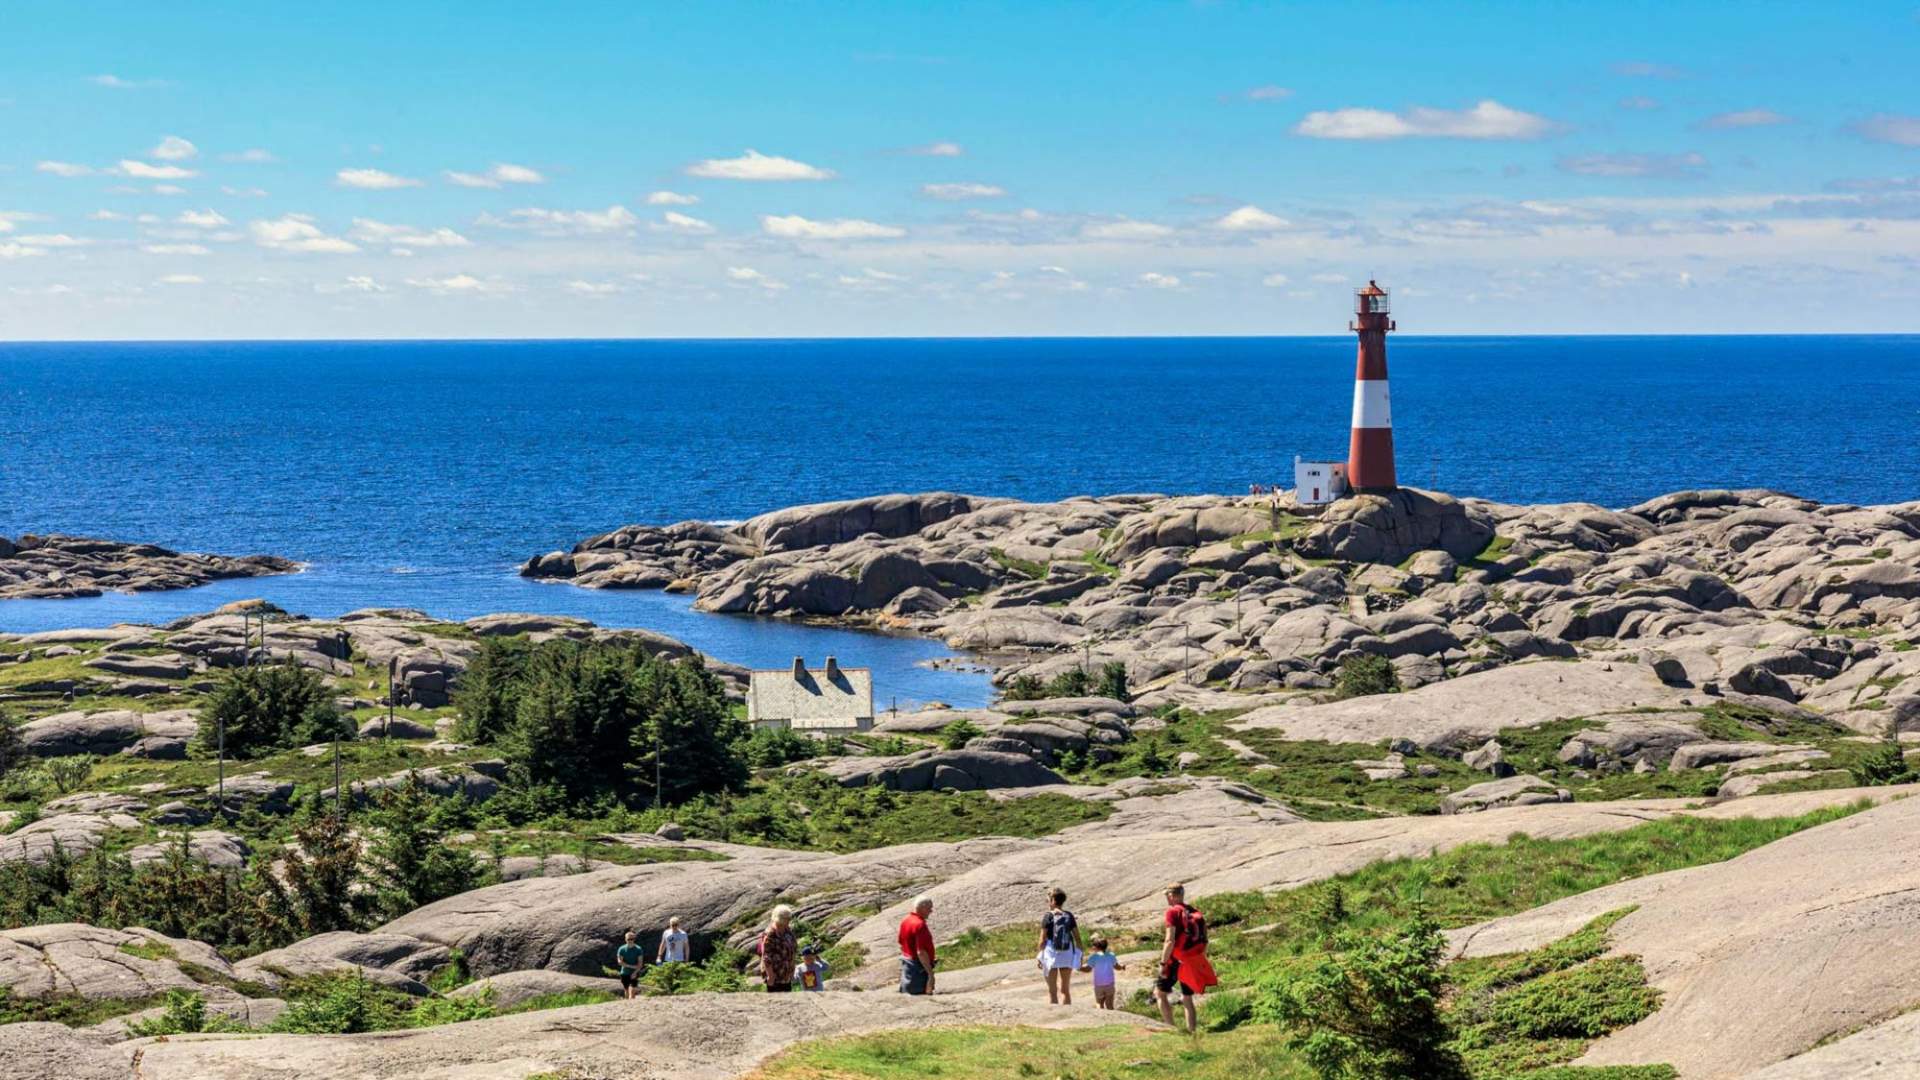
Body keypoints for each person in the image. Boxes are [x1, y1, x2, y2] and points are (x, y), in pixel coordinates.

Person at [1156, 882, 1217, 1032]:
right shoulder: (1195, 912)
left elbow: (1169, 940)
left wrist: (1163, 963)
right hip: (1191, 959)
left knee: (1160, 993)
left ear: (1172, 896)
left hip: (1176, 960)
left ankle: (1172, 1029)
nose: (1167, 898)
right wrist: (1199, 959)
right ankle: (1192, 1032)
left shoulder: (1172, 912)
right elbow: (1205, 939)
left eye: (1167, 895)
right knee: (1187, 997)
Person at [1037, 886, 1084, 1005]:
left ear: (1053, 901)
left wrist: (1040, 956)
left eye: (1048, 900)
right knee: (1065, 990)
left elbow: (1042, 940)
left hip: (1051, 953)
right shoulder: (1069, 915)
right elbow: (1078, 938)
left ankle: (1055, 1014)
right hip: (1067, 953)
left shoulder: (1048, 916)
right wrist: (1079, 956)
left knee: (1052, 991)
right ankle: (1067, 1014)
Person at [898, 895, 937, 995]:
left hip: (907, 965)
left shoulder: (905, 920)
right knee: (921, 997)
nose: (931, 911)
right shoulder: (920, 925)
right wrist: (930, 975)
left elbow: (901, 944)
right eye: (929, 908)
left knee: (908, 994)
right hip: (918, 968)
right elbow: (921, 952)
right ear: (922, 908)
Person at [758, 905, 799, 993]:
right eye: (787, 918)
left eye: (789, 918)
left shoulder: (788, 930)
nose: (789, 920)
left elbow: (793, 949)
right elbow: (766, 956)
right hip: (775, 975)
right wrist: (770, 975)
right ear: (780, 918)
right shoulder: (770, 933)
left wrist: (792, 969)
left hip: (786, 974)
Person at [1080, 936, 1126, 1010]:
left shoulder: (1093, 957)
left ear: (1096, 947)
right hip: (1109, 984)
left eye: (1093, 945)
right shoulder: (1111, 955)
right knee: (1110, 1005)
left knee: (1099, 1003)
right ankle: (1111, 1016)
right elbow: (1116, 966)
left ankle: (1100, 1015)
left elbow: (1088, 969)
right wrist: (1122, 967)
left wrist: (1079, 968)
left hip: (1099, 985)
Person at [614, 931, 645, 1000]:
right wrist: (632, 966)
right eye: (629, 939)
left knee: (633, 991)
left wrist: (635, 972)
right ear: (625, 939)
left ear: (634, 939)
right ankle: (627, 1003)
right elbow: (620, 962)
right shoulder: (622, 949)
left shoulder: (638, 949)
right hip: (624, 972)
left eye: (632, 939)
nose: (630, 941)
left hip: (635, 972)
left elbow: (640, 963)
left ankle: (631, 1003)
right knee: (626, 990)